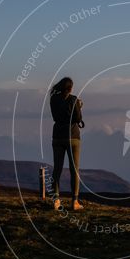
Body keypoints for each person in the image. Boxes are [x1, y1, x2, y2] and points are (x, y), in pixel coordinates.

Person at [49, 77, 84, 210]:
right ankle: (74, 201)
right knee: (74, 169)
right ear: (70, 88)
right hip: (72, 137)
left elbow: (55, 117)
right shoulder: (74, 100)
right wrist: (79, 106)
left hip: (57, 136)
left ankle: (56, 200)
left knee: (57, 168)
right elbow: (78, 118)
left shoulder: (53, 99)